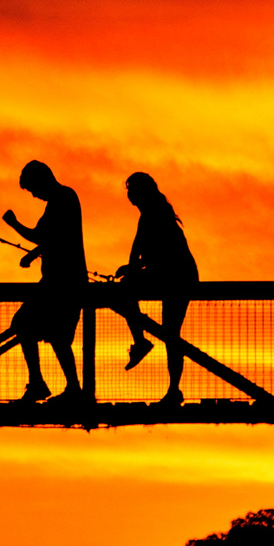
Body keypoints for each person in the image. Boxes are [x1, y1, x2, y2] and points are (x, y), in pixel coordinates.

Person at [109, 172, 198, 407]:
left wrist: (133, 268)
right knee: (169, 332)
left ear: (142, 191)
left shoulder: (155, 214)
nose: (129, 194)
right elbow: (138, 247)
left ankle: (171, 387)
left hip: (178, 277)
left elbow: (161, 255)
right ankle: (142, 343)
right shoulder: (148, 214)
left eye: (132, 189)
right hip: (170, 275)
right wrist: (131, 267)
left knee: (171, 332)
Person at [2, 160, 87, 403]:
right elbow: (56, 238)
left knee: (26, 325)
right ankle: (65, 387)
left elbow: (40, 235)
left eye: (32, 189)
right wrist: (32, 254)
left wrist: (13, 223)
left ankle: (51, 385)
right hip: (61, 280)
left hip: (62, 282)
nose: (34, 195)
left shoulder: (62, 198)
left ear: (42, 180)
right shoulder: (63, 199)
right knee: (53, 335)